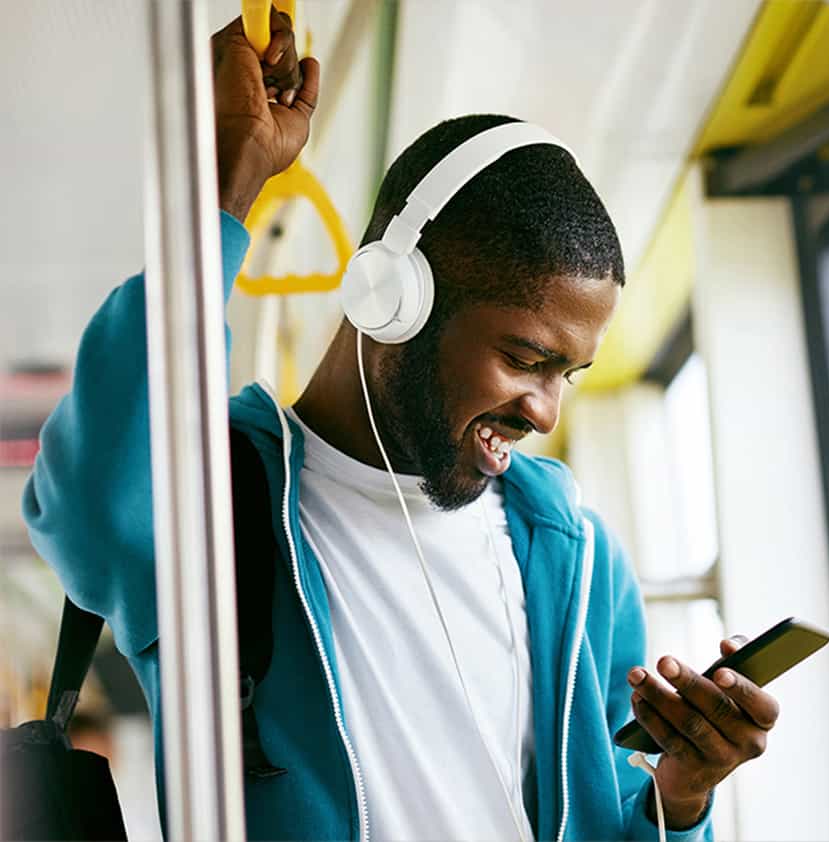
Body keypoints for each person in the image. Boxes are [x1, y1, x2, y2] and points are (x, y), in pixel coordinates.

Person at [23, 11, 779, 841]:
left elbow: (609, 825)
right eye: (525, 359)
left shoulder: (579, 559)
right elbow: (88, 507)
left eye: (569, 374)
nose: (546, 410)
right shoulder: (222, 503)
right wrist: (220, 199)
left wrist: (681, 799)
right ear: (392, 299)